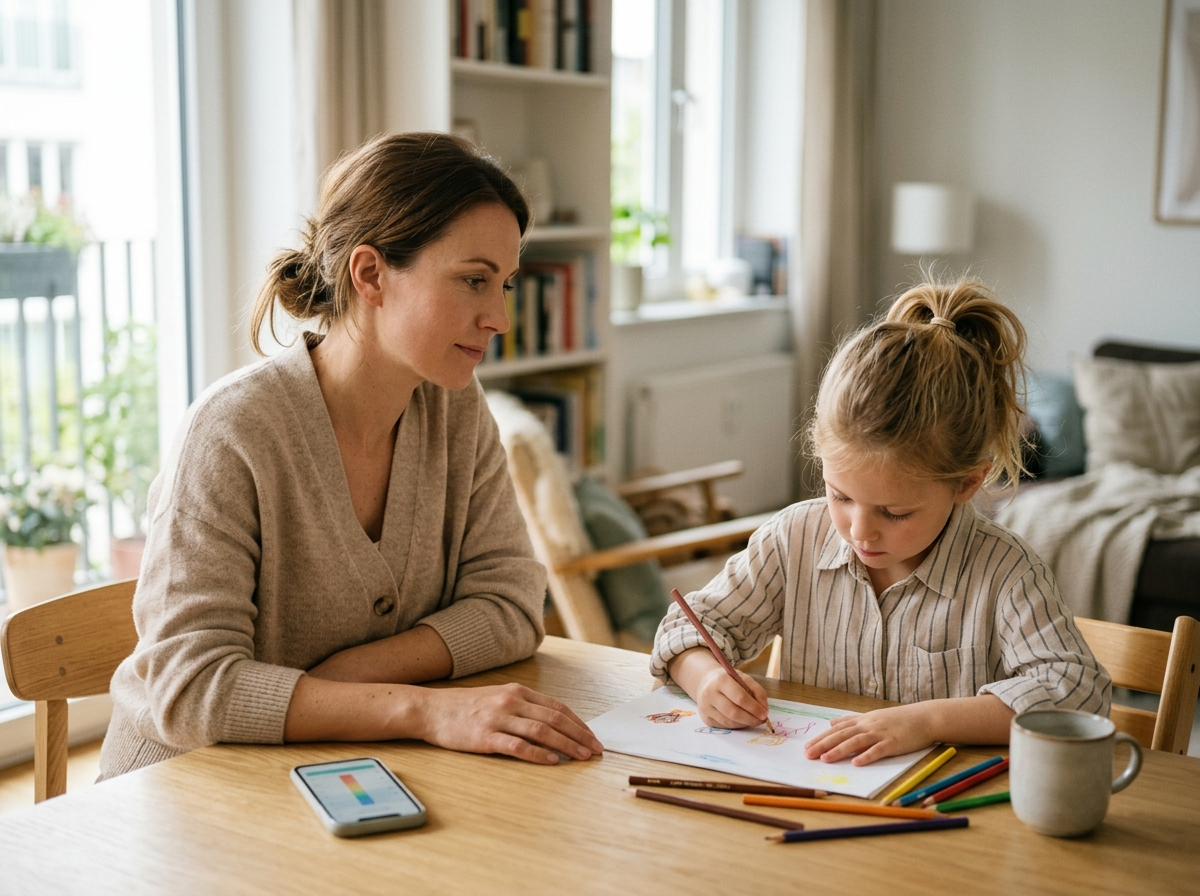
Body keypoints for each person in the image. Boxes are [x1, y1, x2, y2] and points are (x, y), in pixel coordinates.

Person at [100, 133, 603, 779]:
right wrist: (422, 711)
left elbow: (509, 606)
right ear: (369, 274)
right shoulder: (233, 430)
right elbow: (189, 688)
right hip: (185, 788)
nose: (499, 317)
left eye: (503, 284)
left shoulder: (453, 407)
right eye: (474, 281)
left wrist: (351, 677)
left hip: (341, 772)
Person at [650, 277, 1110, 766]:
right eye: (840, 496)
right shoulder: (792, 540)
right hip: (813, 799)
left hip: (937, 813)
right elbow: (686, 628)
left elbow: (1077, 692)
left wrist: (927, 720)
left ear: (967, 484)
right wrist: (707, 680)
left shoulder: (1006, 571)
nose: (859, 530)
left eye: (894, 512)